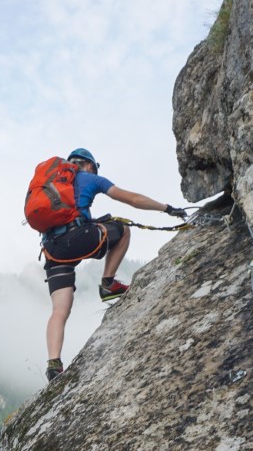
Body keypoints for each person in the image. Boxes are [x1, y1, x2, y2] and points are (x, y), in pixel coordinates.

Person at [41, 148, 185, 382]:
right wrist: (166, 208)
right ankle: (108, 283)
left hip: (52, 250)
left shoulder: (53, 185)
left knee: (59, 310)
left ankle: (53, 364)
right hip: (78, 239)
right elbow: (132, 199)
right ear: (89, 165)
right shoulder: (90, 178)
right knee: (122, 229)